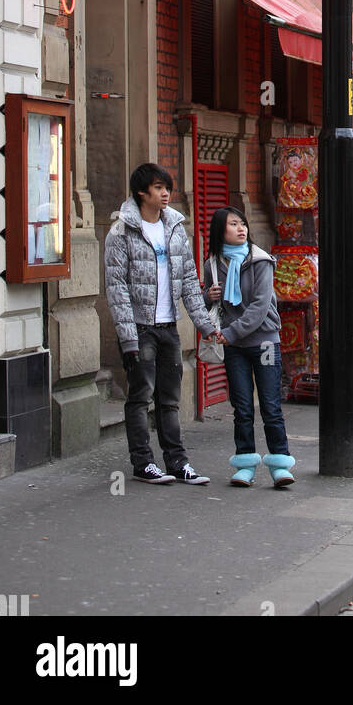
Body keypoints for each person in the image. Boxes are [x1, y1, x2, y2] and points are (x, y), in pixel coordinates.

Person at [104, 162, 217, 484]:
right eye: (158, 188)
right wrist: (127, 339)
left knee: (170, 400)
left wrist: (206, 325)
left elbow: (190, 281)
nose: (165, 193)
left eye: (167, 187)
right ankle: (143, 464)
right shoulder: (121, 230)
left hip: (169, 327)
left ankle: (178, 463)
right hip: (140, 329)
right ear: (142, 192)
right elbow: (117, 289)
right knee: (140, 397)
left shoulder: (175, 228)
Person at [203, 208, 294, 488]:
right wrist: (208, 296)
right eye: (233, 224)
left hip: (264, 341)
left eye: (242, 224)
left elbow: (259, 307)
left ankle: (280, 463)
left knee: (270, 405)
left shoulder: (261, 261)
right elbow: (211, 309)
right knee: (242, 407)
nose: (241, 229)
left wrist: (230, 333)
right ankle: (245, 463)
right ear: (221, 231)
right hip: (235, 347)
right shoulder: (213, 265)